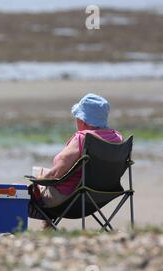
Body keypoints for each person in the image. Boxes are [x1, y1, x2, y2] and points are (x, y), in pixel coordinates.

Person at [30, 93, 123, 227]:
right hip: (100, 197)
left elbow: (56, 174)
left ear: (83, 120)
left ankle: (16, 232)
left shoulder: (84, 139)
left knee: (18, 193)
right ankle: (47, 229)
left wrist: (38, 179)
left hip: (69, 199)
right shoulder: (117, 138)